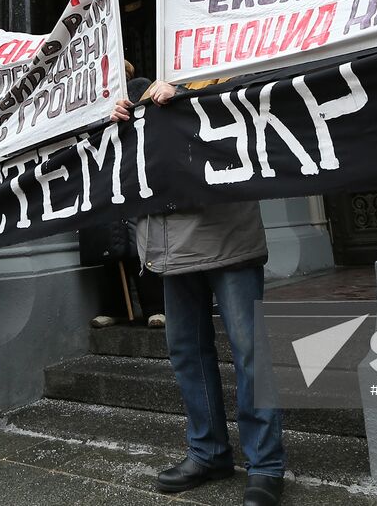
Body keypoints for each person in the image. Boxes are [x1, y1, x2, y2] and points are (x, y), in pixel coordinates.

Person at [111, 81, 286, 506]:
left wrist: (188, 92)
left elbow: (251, 102)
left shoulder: (222, 63)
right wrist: (113, 120)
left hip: (226, 233)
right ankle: (208, 452)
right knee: (186, 350)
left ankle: (265, 464)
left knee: (249, 351)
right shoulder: (139, 94)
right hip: (169, 244)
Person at [83, 68, 165, 329]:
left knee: (139, 243)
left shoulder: (140, 86)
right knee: (107, 245)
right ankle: (115, 307)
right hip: (104, 180)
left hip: (134, 175)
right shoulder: (85, 102)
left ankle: (155, 306)